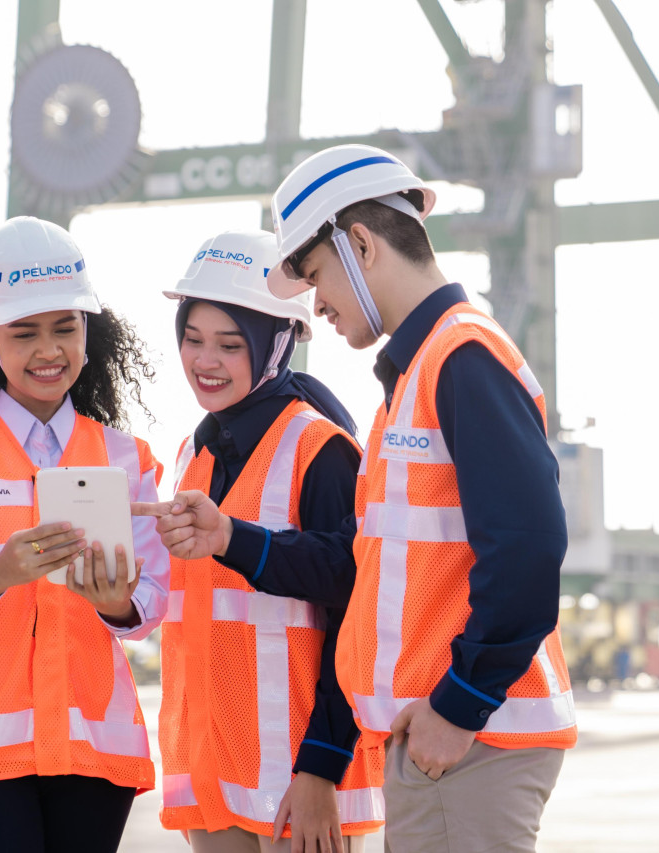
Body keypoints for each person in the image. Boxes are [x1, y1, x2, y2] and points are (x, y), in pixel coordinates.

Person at [138, 145, 577, 853]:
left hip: (472, 732)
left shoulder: (458, 357)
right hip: (443, 731)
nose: (318, 303)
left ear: (362, 244)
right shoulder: (417, 377)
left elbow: (529, 545)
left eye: (314, 274)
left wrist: (460, 704)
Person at [0, 216, 169, 853]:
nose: (49, 351)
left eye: (65, 329)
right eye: (24, 334)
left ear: (87, 330)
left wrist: (118, 605)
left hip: (92, 749)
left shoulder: (127, 458)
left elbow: (155, 601)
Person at [148, 230, 381, 853]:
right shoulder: (193, 454)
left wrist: (321, 769)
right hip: (212, 774)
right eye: (192, 340)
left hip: (299, 786)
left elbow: (355, 612)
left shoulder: (322, 449)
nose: (206, 361)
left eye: (230, 344)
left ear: (278, 344)